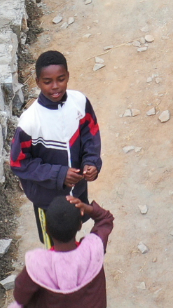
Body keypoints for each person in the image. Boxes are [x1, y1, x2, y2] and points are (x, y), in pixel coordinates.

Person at [9, 51, 103, 221]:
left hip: (78, 192)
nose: (55, 86)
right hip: (47, 201)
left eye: (61, 79)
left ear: (68, 76)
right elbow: (19, 162)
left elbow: (91, 135)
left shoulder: (80, 102)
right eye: (47, 82)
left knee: (75, 234)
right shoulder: (29, 122)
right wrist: (59, 175)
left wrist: (91, 162)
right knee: (54, 245)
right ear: (37, 82)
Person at [12, 195, 113, 308]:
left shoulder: (38, 265)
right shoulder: (93, 249)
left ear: (46, 229)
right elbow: (106, 219)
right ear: (80, 225)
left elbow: (20, 297)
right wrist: (87, 207)